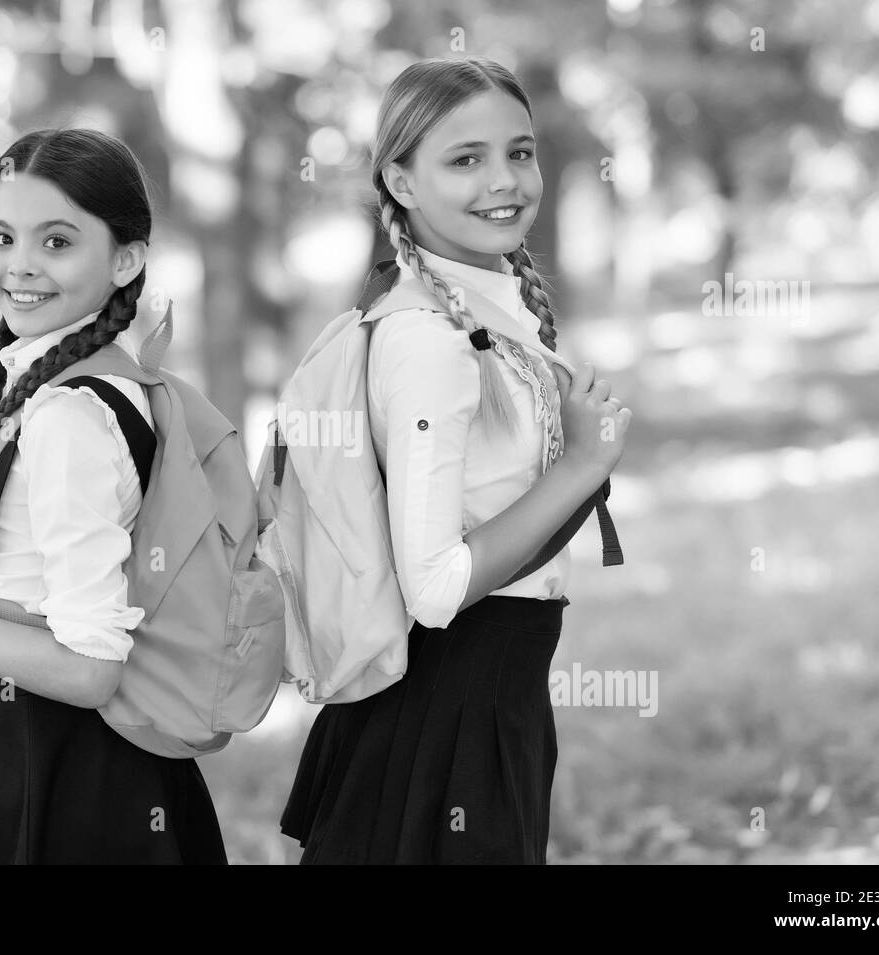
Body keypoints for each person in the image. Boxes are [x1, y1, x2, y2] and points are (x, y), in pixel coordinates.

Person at [279, 56, 632, 864]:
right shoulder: (428, 342)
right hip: (440, 727)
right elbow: (434, 588)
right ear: (400, 181)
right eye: (464, 159)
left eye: (519, 151)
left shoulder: (484, 313)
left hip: (485, 711)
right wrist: (582, 466)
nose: (505, 180)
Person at [0, 128, 227, 864]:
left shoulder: (70, 414)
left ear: (126, 258)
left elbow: (89, 668)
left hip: (70, 781)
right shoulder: (70, 387)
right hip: (65, 765)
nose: (20, 266)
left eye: (58, 241)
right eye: (3, 236)